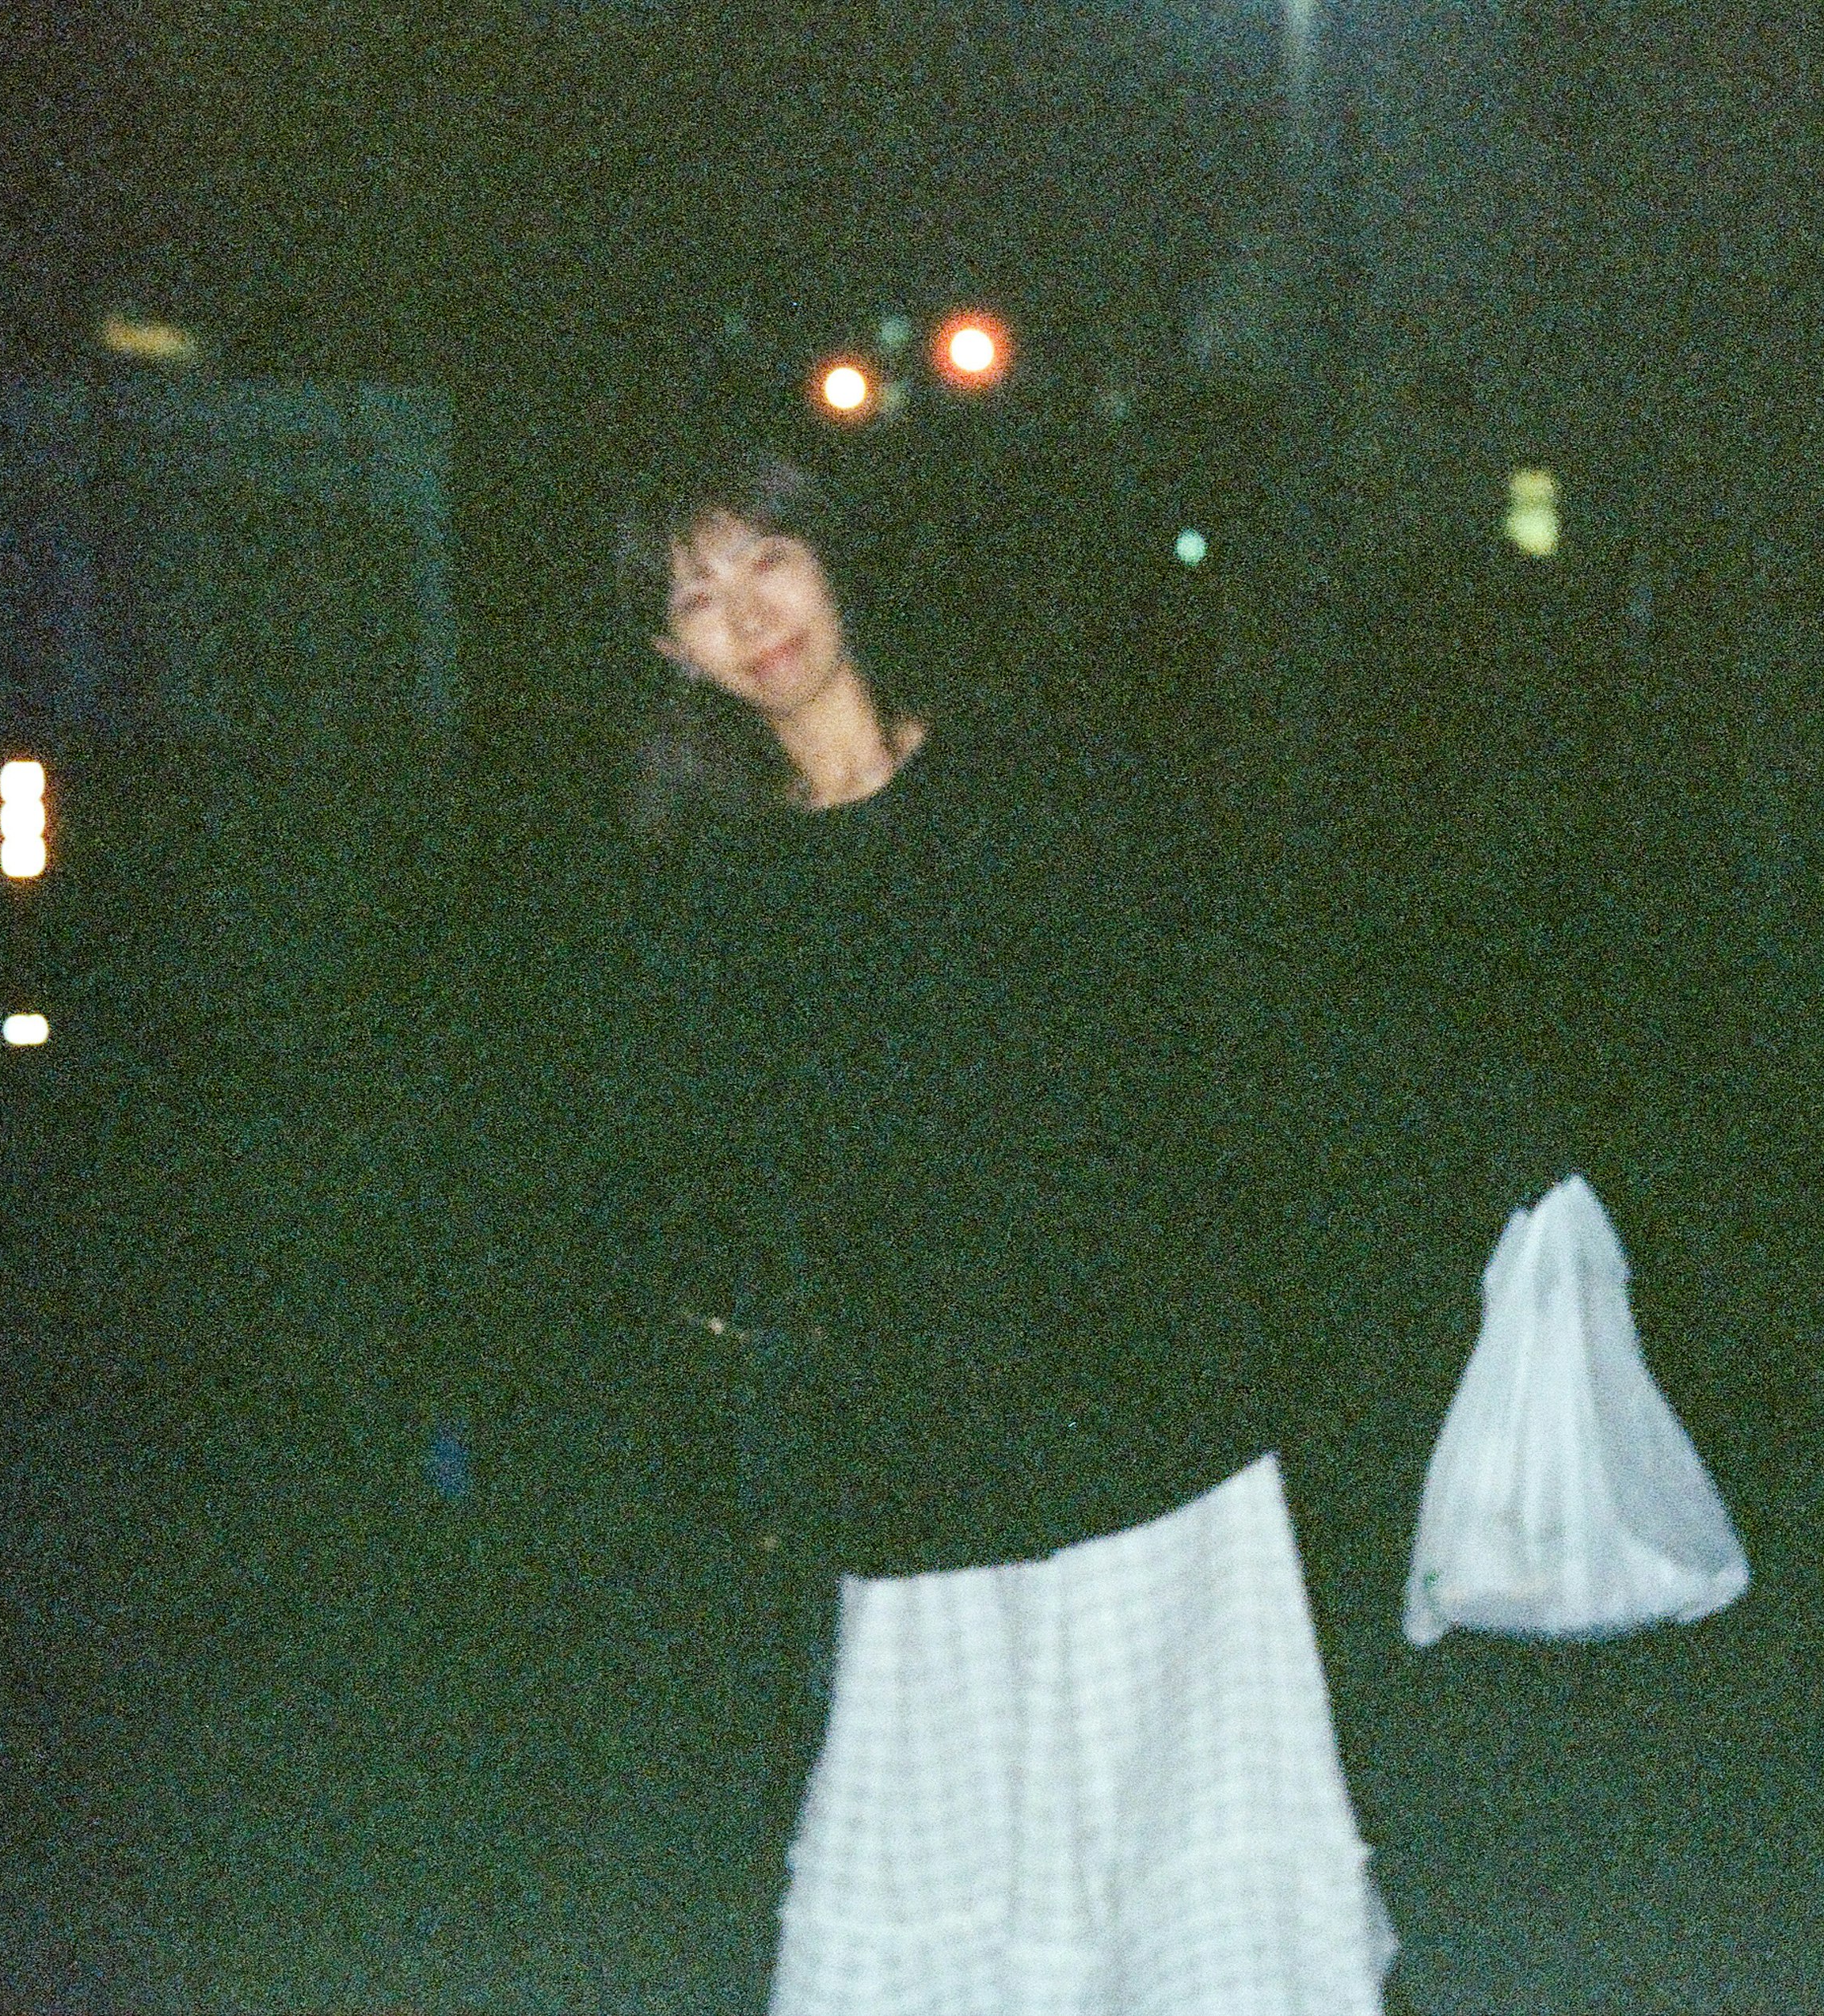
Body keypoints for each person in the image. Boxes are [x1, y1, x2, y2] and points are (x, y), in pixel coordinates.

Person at [585, 439, 1396, 2012]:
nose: (750, 614)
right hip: (920, 1454)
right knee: (941, 1889)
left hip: (1142, 1416)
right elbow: (711, 1193)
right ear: (670, 652)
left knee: (1196, 1869)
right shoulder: (716, 891)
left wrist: (1471, 1161)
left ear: (832, 561)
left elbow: (1226, 1035)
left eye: (769, 559)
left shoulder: (1037, 789)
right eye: (698, 595)